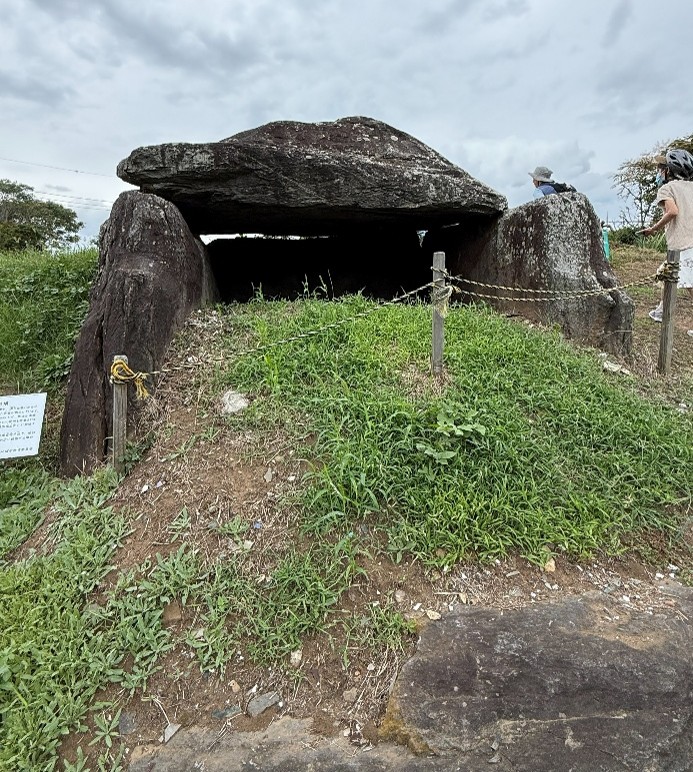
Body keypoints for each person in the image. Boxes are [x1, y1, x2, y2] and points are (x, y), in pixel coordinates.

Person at [640, 148, 693, 336]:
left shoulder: (667, 188)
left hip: (681, 246)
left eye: (662, 168)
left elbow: (672, 211)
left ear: (669, 171)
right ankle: (661, 311)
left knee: (684, 283)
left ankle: (662, 312)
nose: (659, 172)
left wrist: (653, 229)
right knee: (667, 276)